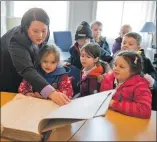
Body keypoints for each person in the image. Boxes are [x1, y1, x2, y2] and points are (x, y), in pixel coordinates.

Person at [0, 8, 70, 106]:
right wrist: (52, 92)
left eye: (44, 31)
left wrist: (57, 61)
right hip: (7, 72)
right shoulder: (16, 41)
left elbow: (42, 51)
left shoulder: (45, 32)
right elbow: (27, 69)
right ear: (26, 28)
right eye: (35, 31)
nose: (40, 35)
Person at [100, 50, 152, 119]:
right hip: (108, 120)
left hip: (129, 124)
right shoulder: (108, 79)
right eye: (115, 65)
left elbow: (145, 110)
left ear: (134, 71)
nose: (115, 68)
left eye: (121, 67)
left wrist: (114, 104)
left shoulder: (140, 85)